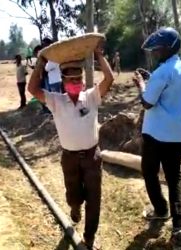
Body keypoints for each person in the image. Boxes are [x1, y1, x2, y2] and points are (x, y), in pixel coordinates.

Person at [28, 40, 114, 250]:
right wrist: (41, 62)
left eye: (78, 79)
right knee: (73, 193)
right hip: (70, 158)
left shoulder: (91, 97)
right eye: (71, 80)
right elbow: (32, 88)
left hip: (92, 157)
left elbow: (109, 79)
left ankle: (89, 237)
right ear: (64, 83)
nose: (75, 82)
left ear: (83, 81)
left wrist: (99, 56)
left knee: (94, 198)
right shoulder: (56, 100)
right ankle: (75, 208)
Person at [132, 27, 181, 249]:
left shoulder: (162, 72)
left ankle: (160, 210)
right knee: (174, 177)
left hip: (157, 133)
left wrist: (141, 85)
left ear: (169, 47)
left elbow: (147, 102)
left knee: (149, 171)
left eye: (158, 47)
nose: (155, 51)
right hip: (179, 133)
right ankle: (179, 227)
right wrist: (151, 82)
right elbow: (173, 93)